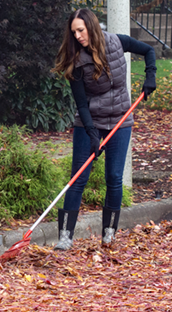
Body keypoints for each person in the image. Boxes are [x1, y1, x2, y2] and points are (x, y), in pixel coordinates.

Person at [51, 8, 156, 250]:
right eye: (73, 32)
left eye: (81, 30)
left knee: (114, 178)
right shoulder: (76, 62)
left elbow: (149, 50)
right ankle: (65, 238)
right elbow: (81, 104)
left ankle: (109, 235)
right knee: (78, 178)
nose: (77, 36)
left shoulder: (117, 42)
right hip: (90, 122)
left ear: (92, 27)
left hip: (120, 120)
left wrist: (150, 76)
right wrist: (91, 135)